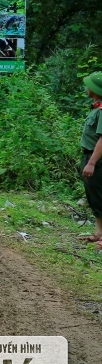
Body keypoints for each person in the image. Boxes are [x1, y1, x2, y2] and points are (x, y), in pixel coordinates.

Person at [77, 71, 102, 249]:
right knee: (94, 196)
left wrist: (92, 163)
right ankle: (99, 232)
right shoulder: (96, 108)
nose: (86, 88)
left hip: (97, 158)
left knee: (100, 195)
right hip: (89, 155)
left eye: (89, 85)